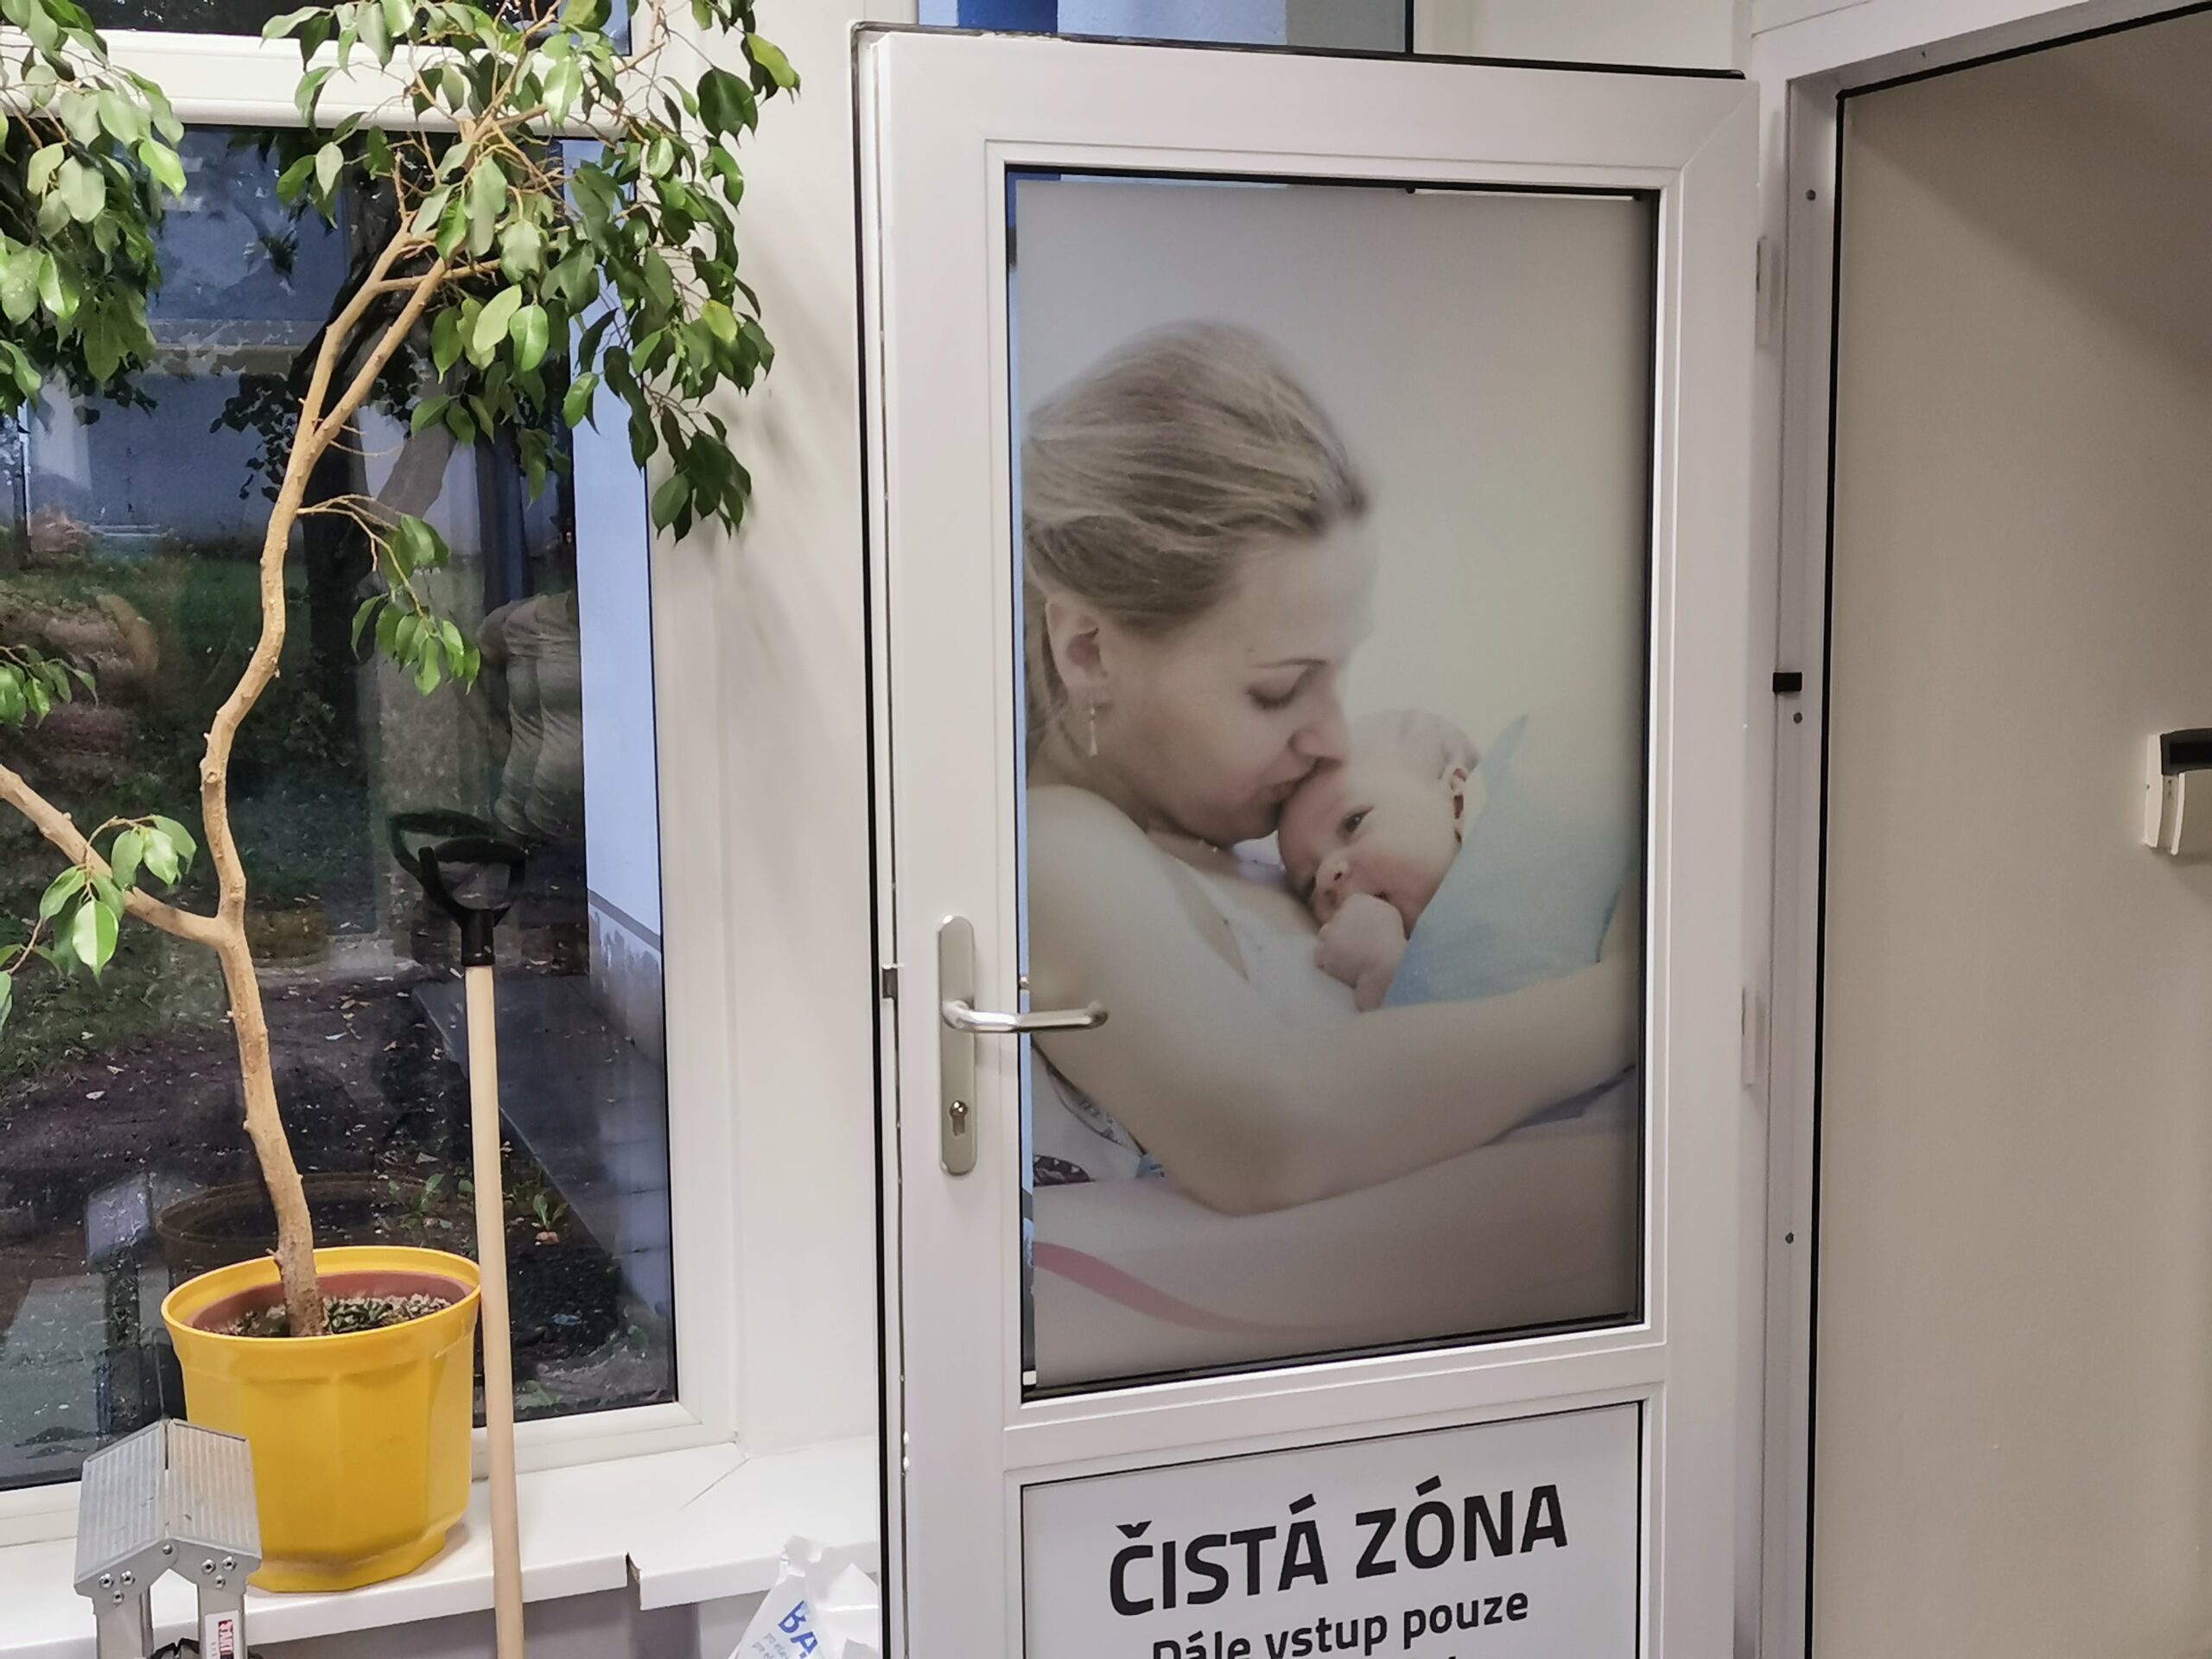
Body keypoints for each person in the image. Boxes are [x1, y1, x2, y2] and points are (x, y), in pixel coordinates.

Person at [1022, 321, 1638, 1217]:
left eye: (1339, 675)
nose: (1332, 737)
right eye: (1279, 690)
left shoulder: (1253, 847)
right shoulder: (1054, 850)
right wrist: (1628, 1000)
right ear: (1088, 651)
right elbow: (1266, 1130)